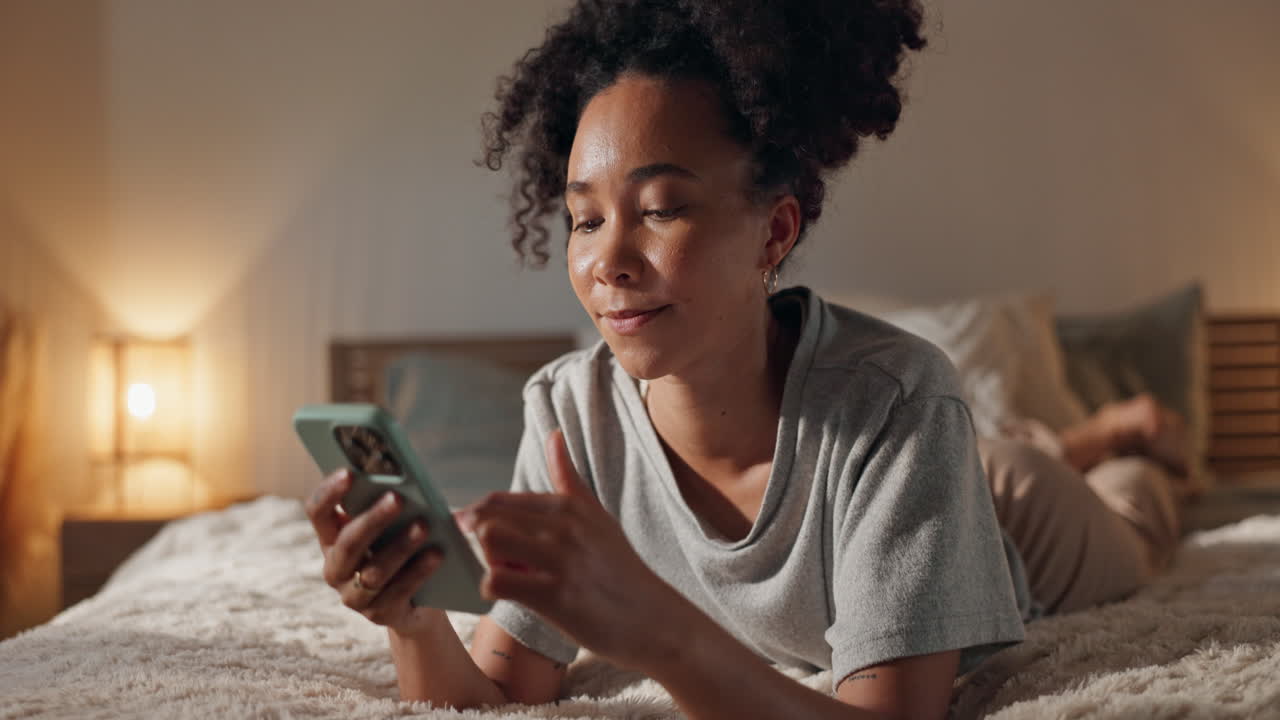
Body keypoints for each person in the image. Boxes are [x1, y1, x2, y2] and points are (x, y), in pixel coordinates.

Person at [302, 1, 1183, 717]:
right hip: (918, 479)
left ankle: (1127, 440)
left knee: (1139, 514)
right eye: (584, 217)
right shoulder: (571, 419)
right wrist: (411, 623)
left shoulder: (899, 399)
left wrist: (655, 630)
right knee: (980, 452)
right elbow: (497, 693)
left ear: (775, 228)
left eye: (659, 208)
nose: (607, 260)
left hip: (1020, 508)